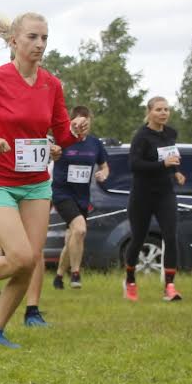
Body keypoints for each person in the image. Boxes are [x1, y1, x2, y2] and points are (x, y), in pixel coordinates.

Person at [0, 9, 76, 348]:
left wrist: (70, 136)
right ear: (14, 41)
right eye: (33, 37)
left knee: (29, 262)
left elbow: (61, 135)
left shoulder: (52, 84)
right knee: (18, 255)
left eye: (44, 38)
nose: (40, 44)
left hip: (36, 182)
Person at [125, 97, 185, 302]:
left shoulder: (170, 133)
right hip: (142, 195)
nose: (163, 113)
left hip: (165, 194)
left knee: (170, 236)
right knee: (138, 238)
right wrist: (163, 166)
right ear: (149, 112)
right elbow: (134, 165)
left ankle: (170, 286)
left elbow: (171, 156)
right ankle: (130, 280)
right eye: (159, 109)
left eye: (166, 109)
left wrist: (176, 171)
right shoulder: (141, 137)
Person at [47, 106, 109, 299]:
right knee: (80, 230)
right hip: (62, 192)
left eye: (87, 122)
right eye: (80, 122)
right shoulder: (63, 140)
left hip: (82, 195)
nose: (83, 126)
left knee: (72, 237)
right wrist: (53, 152)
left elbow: (104, 166)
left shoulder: (95, 144)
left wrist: (103, 173)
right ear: (71, 123)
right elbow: (50, 153)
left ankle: (58, 276)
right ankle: (75, 273)